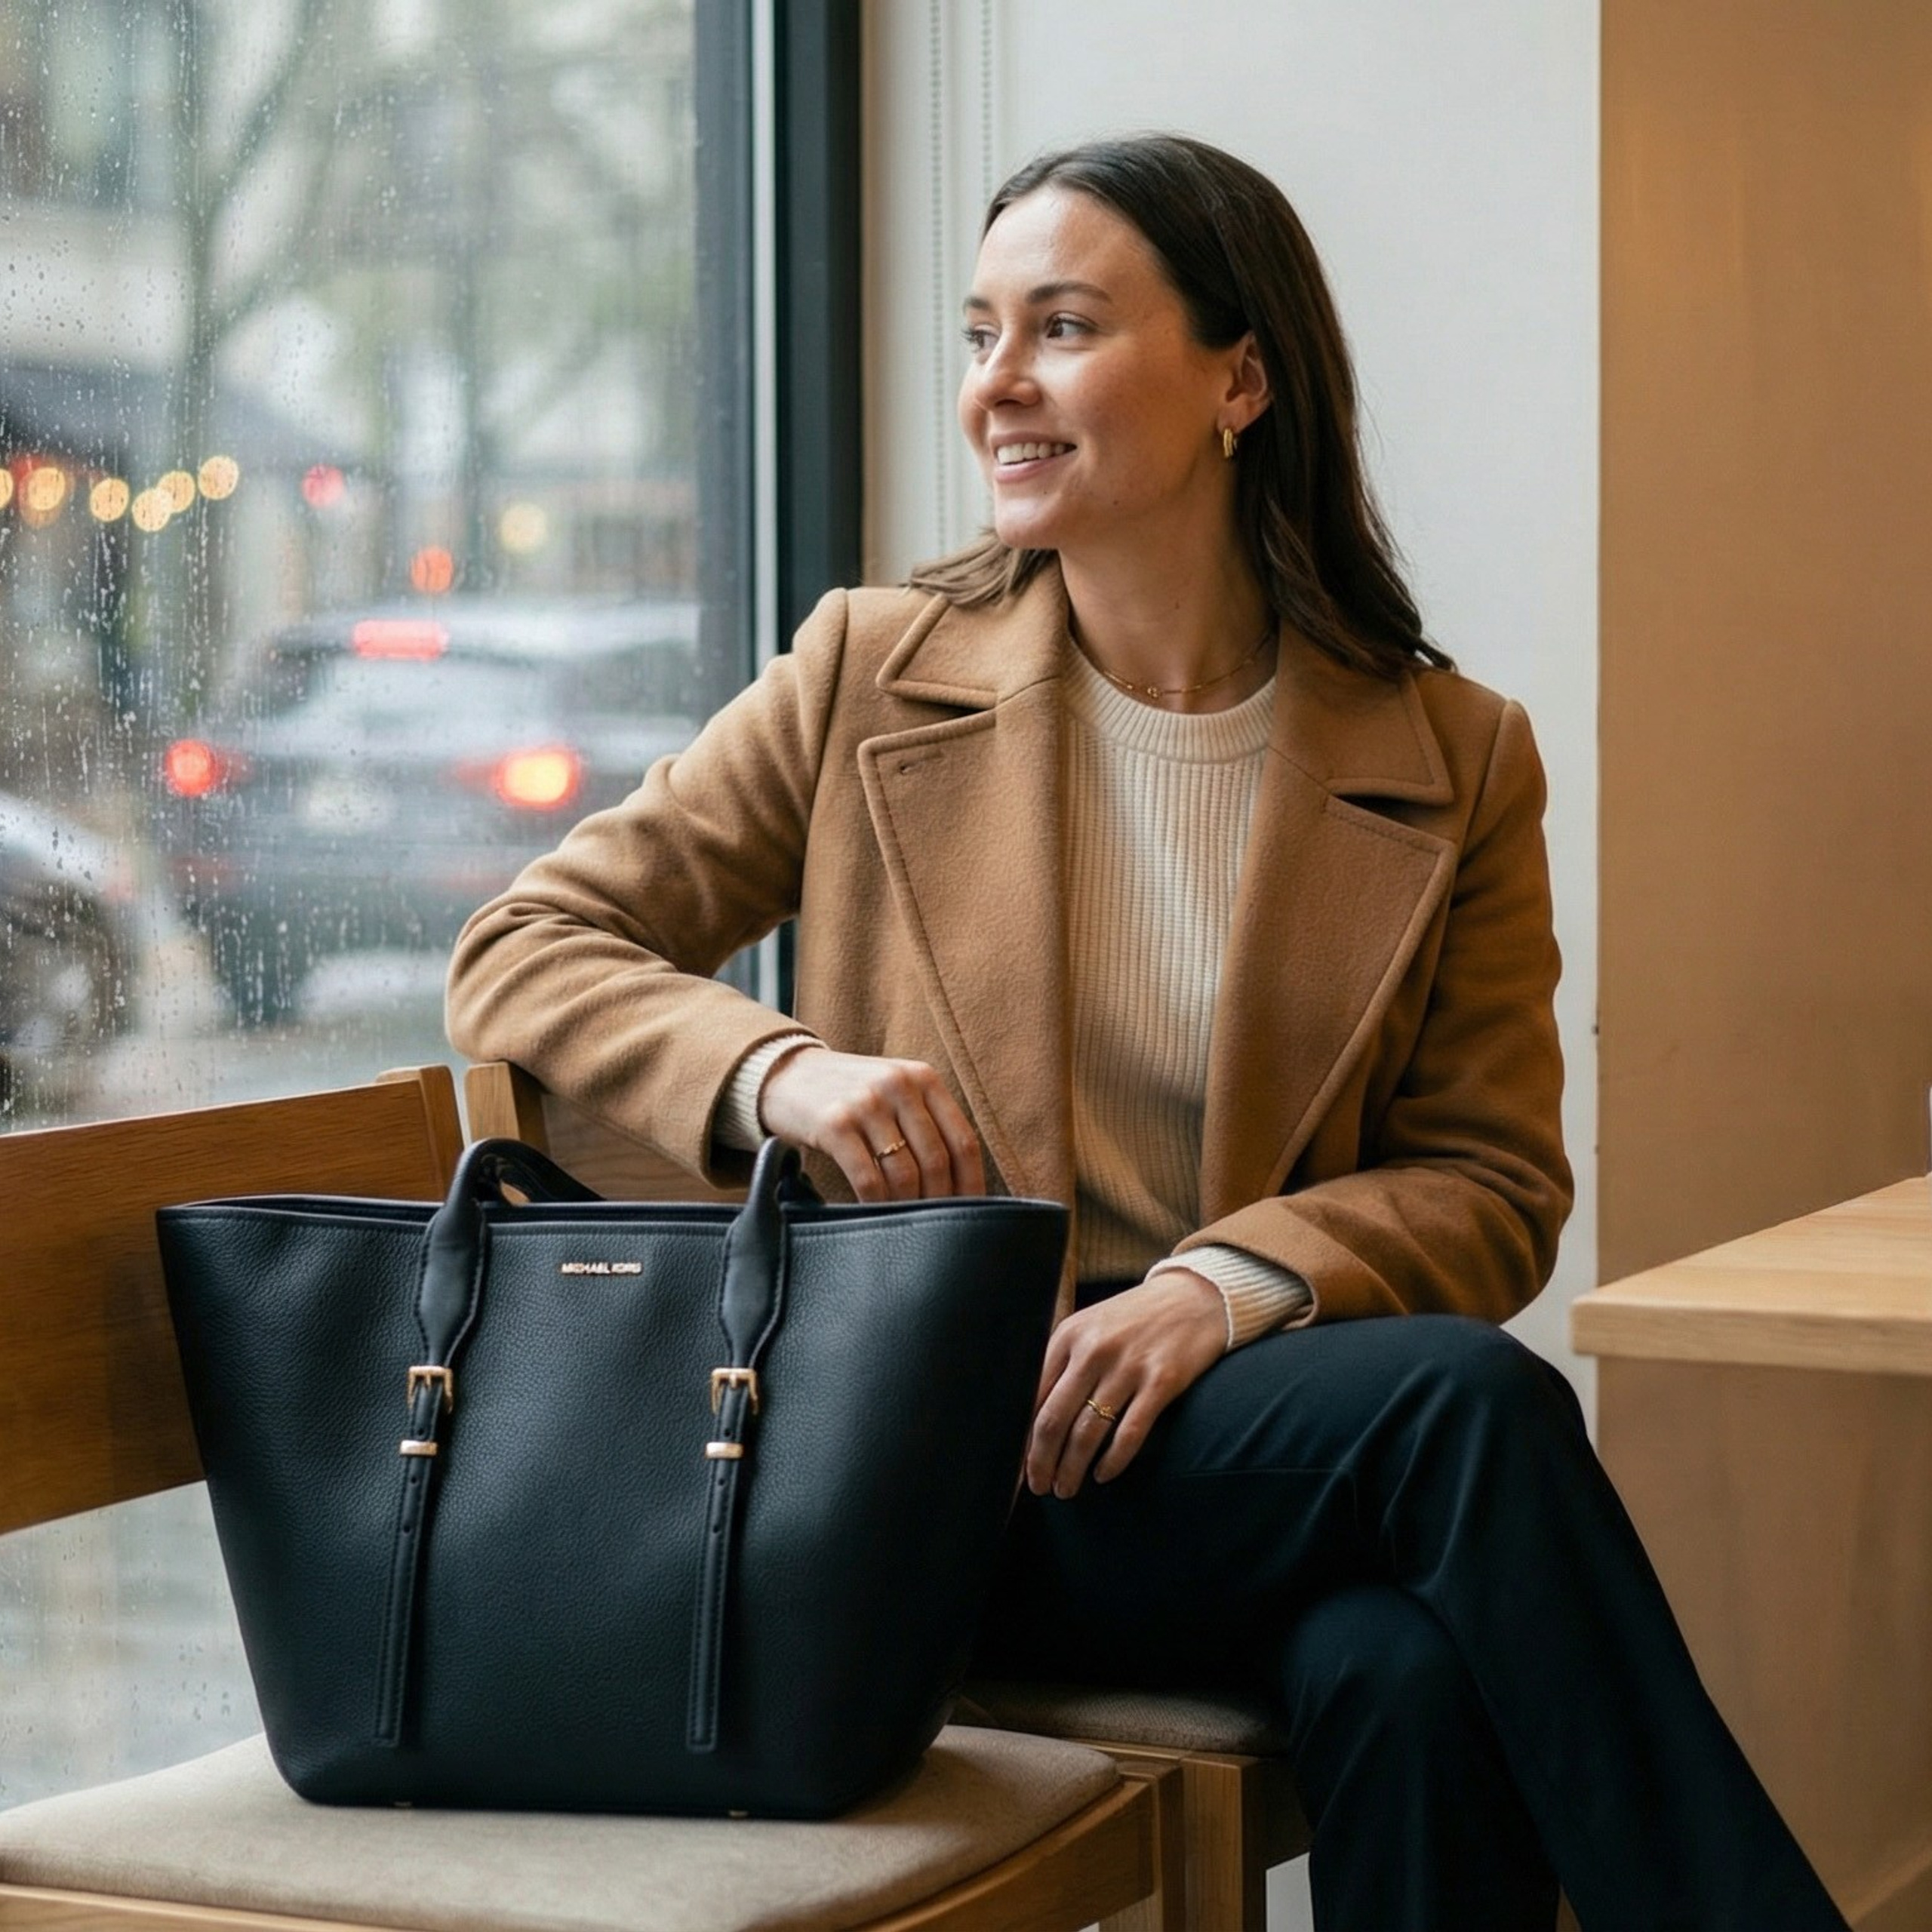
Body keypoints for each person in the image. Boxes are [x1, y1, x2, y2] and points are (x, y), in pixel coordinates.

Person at [446, 134, 1847, 1930]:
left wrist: (1225, 1286)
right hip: (928, 1468)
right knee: (1467, 1404)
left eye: (1062, 326)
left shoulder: (1451, 753)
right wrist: (776, 1071)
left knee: (1397, 1665)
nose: (996, 384)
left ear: (1238, 380)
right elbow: (523, 944)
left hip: (1228, 1467)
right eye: (980, 334)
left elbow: (1492, 1181)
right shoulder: (866, 672)